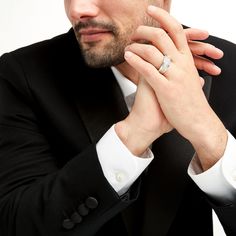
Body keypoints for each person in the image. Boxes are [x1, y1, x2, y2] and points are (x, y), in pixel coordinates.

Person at [0, 0, 236, 235]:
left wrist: (209, 135)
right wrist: (134, 133)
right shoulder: (23, 74)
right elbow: (16, 224)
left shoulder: (231, 68)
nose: (77, 10)